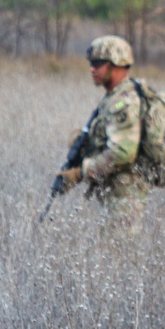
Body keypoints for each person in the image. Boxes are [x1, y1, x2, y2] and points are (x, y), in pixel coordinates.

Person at [55, 35, 148, 204]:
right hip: (113, 193)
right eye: (91, 63)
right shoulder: (113, 97)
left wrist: (80, 173)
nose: (91, 69)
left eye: (97, 63)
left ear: (116, 65)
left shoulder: (125, 102)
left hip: (125, 197)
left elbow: (122, 154)